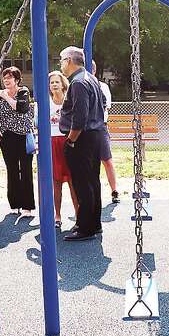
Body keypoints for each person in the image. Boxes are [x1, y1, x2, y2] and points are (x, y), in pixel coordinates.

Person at [57, 46, 105, 241]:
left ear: (69, 61)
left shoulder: (77, 83)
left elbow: (80, 116)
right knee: (92, 180)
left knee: (82, 183)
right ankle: (94, 222)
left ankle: (85, 227)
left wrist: (71, 140)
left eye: (61, 60)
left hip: (82, 138)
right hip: (94, 136)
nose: (60, 65)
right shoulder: (91, 78)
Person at [0, 66, 36, 216]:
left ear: (17, 80)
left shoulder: (23, 91)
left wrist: (6, 96)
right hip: (7, 137)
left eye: (10, 77)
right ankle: (15, 203)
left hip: (24, 136)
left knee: (26, 169)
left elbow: (20, 107)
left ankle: (27, 206)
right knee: (12, 170)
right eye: (4, 78)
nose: (6, 80)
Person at [47, 70, 79, 228]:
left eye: (56, 82)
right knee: (56, 181)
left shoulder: (69, 100)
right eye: (51, 82)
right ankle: (57, 215)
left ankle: (78, 213)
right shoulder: (46, 102)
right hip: (52, 142)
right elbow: (39, 123)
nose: (54, 85)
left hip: (66, 140)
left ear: (63, 84)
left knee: (73, 180)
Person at [91, 60, 118, 203]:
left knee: (106, 159)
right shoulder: (77, 85)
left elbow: (105, 106)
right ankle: (91, 194)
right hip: (85, 128)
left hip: (100, 126)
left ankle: (114, 190)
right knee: (88, 163)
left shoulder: (102, 87)